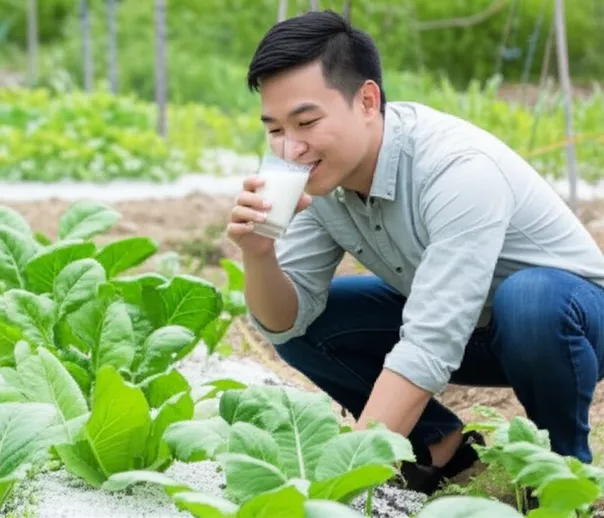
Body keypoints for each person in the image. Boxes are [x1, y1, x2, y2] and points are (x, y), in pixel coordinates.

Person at [227, 9, 604, 496]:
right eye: (274, 129)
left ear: (367, 100)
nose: (289, 149)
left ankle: (562, 473)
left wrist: (337, 485)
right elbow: (285, 321)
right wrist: (258, 255)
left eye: (306, 122)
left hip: (571, 323)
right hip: (473, 330)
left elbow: (430, 341)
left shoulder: (455, 169)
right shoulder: (320, 177)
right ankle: (440, 449)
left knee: (530, 299)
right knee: (313, 320)